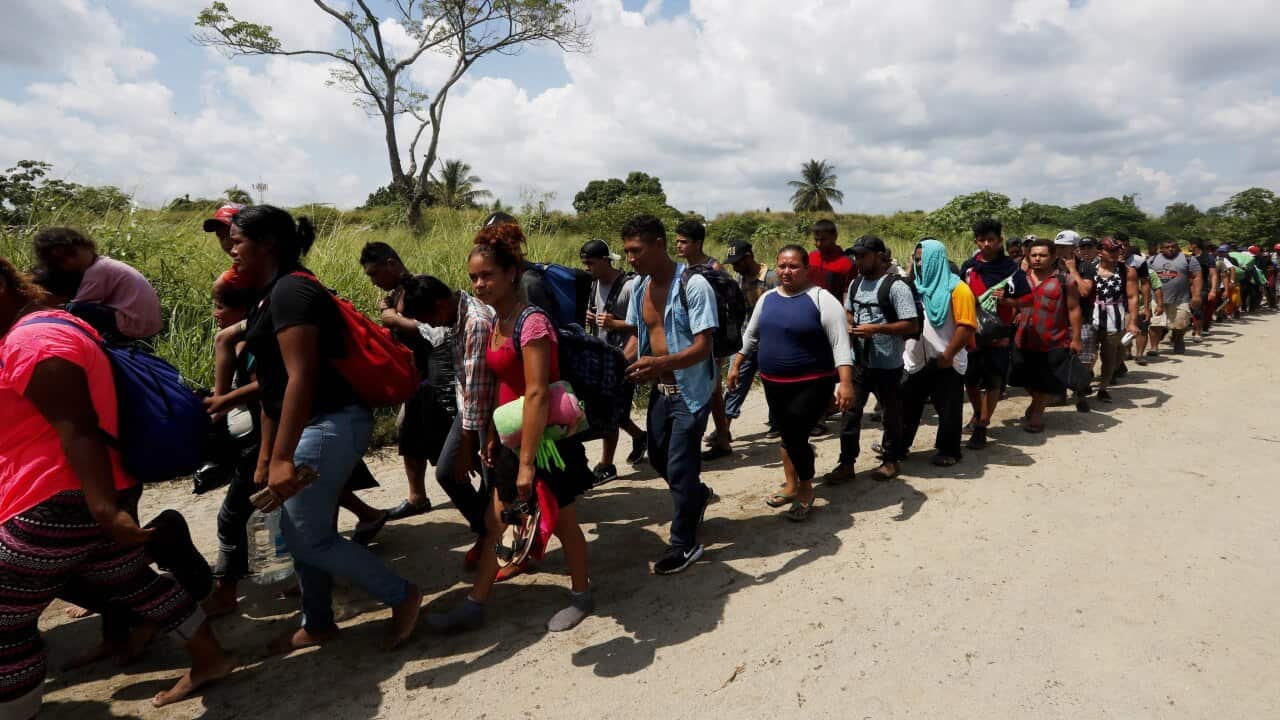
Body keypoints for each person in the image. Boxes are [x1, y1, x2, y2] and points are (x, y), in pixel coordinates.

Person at [0, 258, 234, 712]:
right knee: (134, 584)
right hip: (95, 488)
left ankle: (16, 707)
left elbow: (78, 428)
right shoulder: (48, 325)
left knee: (5, 618)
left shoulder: (34, 341)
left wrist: (106, 510)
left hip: (57, 497)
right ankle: (211, 657)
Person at [228, 205, 421, 654]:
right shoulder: (269, 294)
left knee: (307, 537)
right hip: (306, 426)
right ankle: (317, 622)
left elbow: (302, 376)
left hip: (328, 424)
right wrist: (266, 455)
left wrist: (279, 457)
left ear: (267, 244)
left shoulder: (292, 294)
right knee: (306, 530)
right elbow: (274, 385)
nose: (232, 249)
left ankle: (402, 593)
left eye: (238, 240)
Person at [427, 222, 593, 633]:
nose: (479, 284)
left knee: (565, 523)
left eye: (487, 276)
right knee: (495, 522)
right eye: (473, 278)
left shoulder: (532, 322)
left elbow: (536, 393)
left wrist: (526, 463)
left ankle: (581, 594)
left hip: (545, 443)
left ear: (512, 274)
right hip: (511, 439)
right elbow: (503, 383)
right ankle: (475, 603)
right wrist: (490, 437)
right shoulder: (497, 321)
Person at [621, 214, 719, 575]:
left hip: (690, 391)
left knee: (679, 465)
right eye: (627, 251)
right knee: (660, 460)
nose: (631, 258)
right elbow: (637, 337)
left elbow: (703, 346)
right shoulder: (638, 287)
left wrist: (661, 363)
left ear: (659, 244)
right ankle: (698, 496)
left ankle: (685, 543)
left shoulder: (693, 286)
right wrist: (617, 363)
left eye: (637, 250)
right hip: (660, 391)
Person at [728, 246, 853, 521]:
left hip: (812, 382)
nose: (786, 271)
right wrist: (736, 364)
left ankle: (806, 486)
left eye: (793, 266)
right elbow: (751, 335)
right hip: (773, 382)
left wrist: (845, 382)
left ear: (807, 269)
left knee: (795, 434)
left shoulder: (822, 299)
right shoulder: (768, 299)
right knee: (787, 434)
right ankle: (791, 483)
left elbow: (840, 344)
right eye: (782, 266)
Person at [396, 275, 497, 573]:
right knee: (448, 473)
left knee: (489, 481)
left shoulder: (475, 323)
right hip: (470, 408)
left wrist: (467, 446)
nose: (430, 324)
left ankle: (502, 539)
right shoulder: (452, 316)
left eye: (428, 317)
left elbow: (479, 394)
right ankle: (488, 531)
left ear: (439, 304)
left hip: (491, 414)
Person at [825, 235, 918, 483]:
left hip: (888, 365)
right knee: (849, 413)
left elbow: (911, 324)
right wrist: (849, 324)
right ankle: (846, 464)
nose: (858, 260)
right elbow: (848, 310)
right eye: (855, 255)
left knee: (891, 415)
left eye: (863, 255)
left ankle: (891, 459)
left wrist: (876, 329)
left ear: (879, 255)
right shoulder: (856, 284)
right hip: (859, 362)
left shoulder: (896, 286)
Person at [361, 241, 440, 521]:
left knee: (439, 441)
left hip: (434, 378)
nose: (374, 281)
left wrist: (391, 317)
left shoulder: (419, 288)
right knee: (409, 434)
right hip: (416, 379)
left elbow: (430, 330)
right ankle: (417, 497)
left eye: (375, 273)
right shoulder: (396, 293)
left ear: (391, 263)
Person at [899, 239, 978, 466]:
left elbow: (966, 326)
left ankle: (949, 450)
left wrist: (948, 355)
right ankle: (899, 446)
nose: (919, 264)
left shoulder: (958, 289)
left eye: (924, 259)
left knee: (949, 408)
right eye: (916, 260)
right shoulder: (914, 287)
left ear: (938, 260)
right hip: (914, 360)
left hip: (947, 360)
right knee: (906, 406)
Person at [580, 239, 646, 483]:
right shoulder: (594, 284)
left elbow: (643, 325)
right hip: (602, 358)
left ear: (606, 261)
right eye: (584, 264)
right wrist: (590, 317)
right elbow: (598, 318)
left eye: (591, 263)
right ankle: (640, 437)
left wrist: (613, 323)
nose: (587, 268)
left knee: (611, 412)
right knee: (613, 411)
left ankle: (607, 464)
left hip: (624, 358)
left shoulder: (629, 287)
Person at [960, 219, 1029, 450]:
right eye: (982, 240)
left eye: (991, 239)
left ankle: (982, 425)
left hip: (999, 334)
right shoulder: (969, 267)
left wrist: (1006, 300)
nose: (987, 244)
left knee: (993, 381)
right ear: (976, 242)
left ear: (1000, 240)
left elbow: (1026, 300)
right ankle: (978, 414)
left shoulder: (1012, 269)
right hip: (971, 333)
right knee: (970, 379)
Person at [32, 227, 163, 342]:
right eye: (61, 261)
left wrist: (49, 308)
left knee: (75, 309)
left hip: (135, 326)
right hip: (146, 324)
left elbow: (77, 308)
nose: (70, 261)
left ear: (88, 247)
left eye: (72, 254)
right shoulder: (103, 264)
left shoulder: (97, 271)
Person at [1010, 237, 1083, 433]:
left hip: (1052, 339)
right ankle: (1037, 403)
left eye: (1042, 255)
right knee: (1021, 377)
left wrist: (1076, 338)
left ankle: (1036, 415)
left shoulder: (1064, 280)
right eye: (1033, 255)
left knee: (1043, 379)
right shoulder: (1019, 278)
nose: (1037, 259)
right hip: (1022, 338)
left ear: (1052, 256)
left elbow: (1074, 309)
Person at [721, 240, 779, 438]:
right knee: (733, 383)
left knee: (773, 386)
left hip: (770, 343)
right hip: (745, 341)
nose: (735, 267)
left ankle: (778, 422)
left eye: (737, 262)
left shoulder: (772, 278)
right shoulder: (738, 280)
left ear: (749, 257)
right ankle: (723, 428)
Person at [1092, 238, 1142, 402]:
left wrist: (1133, 322)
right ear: (1100, 252)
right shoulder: (1089, 268)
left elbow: (1133, 297)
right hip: (1090, 318)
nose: (1116, 253)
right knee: (1087, 356)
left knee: (1109, 357)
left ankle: (1103, 388)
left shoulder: (1127, 271)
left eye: (1117, 250)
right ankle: (1083, 384)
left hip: (1115, 320)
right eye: (1110, 250)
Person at [1053, 231, 1095, 412]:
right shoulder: (1051, 266)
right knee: (1057, 359)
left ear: (1074, 248)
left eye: (1065, 247)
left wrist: (1072, 270)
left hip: (1082, 320)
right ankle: (1059, 394)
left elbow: (1085, 291)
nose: (1060, 251)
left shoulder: (1085, 267)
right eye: (1058, 247)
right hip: (1057, 320)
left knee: (1083, 360)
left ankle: (1080, 394)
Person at [1147, 239, 1203, 356]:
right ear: (1161, 249)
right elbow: (1145, 279)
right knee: (1155, 324)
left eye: (1173, 246)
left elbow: (1197, 277)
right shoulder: (1152, 260)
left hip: (1181, 298)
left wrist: (1196, 295)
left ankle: (1178, 340)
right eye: (1167, 247)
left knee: (1180, 324)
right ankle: (1154, 347)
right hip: (1157, 299)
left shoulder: (1188, 259)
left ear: (1177, 247)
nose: (1170, 249)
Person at [808, 219, 856, 298]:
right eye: (816, 240)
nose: (818, 244)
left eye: (823, 239)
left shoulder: (848, 264)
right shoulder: (811, 257)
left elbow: (847, 294)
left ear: (835, 237)